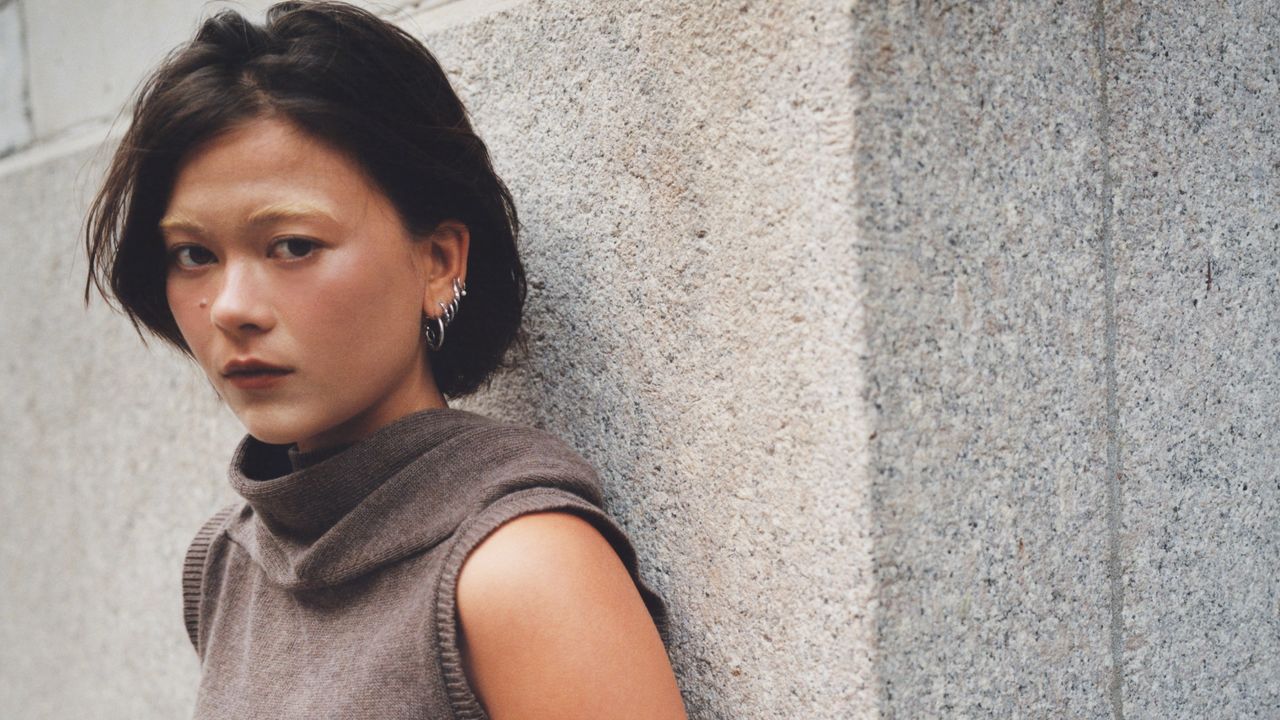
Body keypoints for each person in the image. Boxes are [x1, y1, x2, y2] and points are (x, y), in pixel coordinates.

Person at [80, 2, 688, 718]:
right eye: (194, 255)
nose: (231, 306)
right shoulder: (228, 561)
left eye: (294, 245)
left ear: (436, 262)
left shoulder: (521, 567)